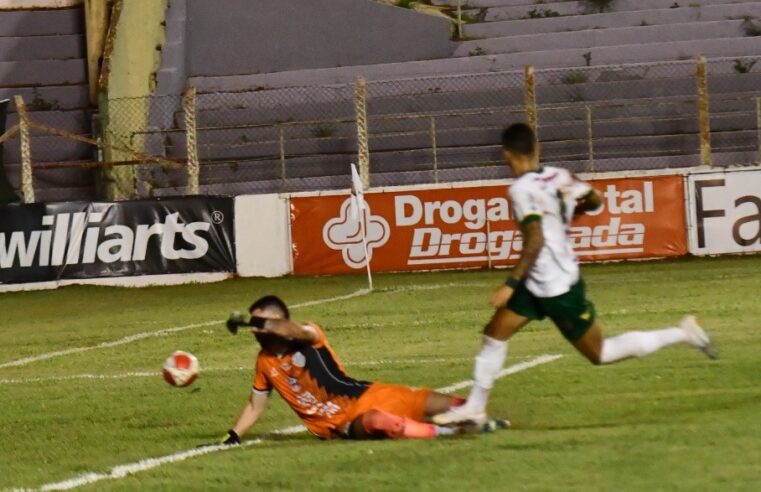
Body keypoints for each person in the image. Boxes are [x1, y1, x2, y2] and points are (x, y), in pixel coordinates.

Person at [433, 123, 717, 426]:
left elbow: (536, 239)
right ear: (536, 148)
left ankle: (683, 332)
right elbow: (595, 200)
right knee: (494, 334)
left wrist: (510, 283)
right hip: (537, 281)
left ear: (506, 155)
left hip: (557, 286)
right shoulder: (561, 175)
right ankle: (475, 408)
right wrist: (568, 213)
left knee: (601, 353)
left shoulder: (520, 190)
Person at [219, 295, 503, 444]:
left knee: (457, 406)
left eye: (262, 323)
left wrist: (252, 322)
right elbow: (255, 406)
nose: (257, 330)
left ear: (280, 321)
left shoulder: (309, 335)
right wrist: (234, 435)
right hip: (340, 424)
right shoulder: (264, 362)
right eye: (255, 326)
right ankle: (448, 434)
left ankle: (479, 422)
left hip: (370, 393)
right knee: (380, 422)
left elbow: (292, 329)